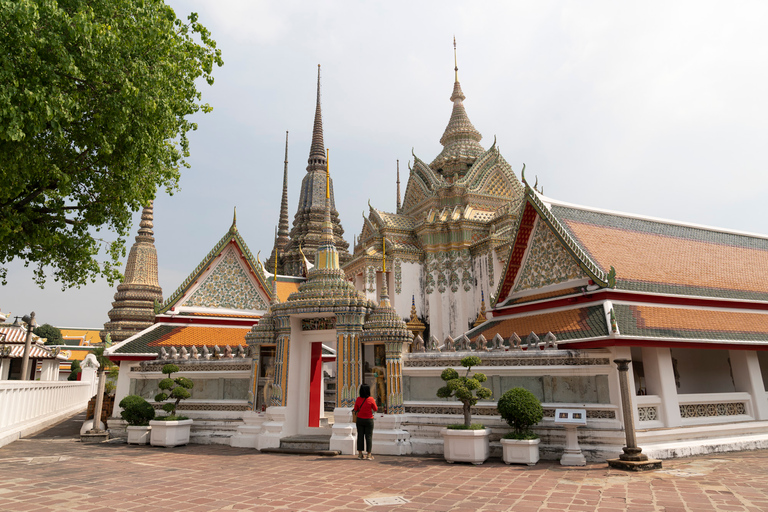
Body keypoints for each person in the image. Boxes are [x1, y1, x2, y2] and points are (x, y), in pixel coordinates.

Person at [354, 383, 377, 460]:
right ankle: (369, 454)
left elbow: (356, 409)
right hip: (369, 420)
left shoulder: (358, 399)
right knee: (369, 437)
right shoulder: (371, 399)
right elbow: (375, 409)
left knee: (360, 436)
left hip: (360, 419)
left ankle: (360, 454)